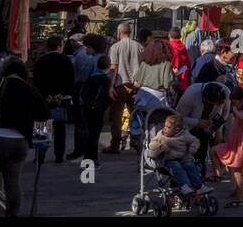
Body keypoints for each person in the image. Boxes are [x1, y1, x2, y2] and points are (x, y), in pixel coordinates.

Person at [0, 58, 50, 217]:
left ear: (4, 70)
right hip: (18, 143)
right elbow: (44, 114)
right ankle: (12, 215)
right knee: (12, 184)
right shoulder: (29, 88)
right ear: (23, 72)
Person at [32, 35, 75, 163]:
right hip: (60, 99)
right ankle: (59, 155)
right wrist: (62, 94)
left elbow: (37, 80)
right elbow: (70, 79)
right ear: (59, 46)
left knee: (43, 128)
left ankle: (40, 156)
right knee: (60, 129)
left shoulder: (41, 61)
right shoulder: (66, 60)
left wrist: (46, 95)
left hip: (45, 99)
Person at [147, 113, 209, 199]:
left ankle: (199, 186)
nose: (164, 128)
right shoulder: (161, 135)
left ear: (176, 130)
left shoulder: (184, 134)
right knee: (177, 167)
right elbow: (151, 145)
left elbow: (195, 140)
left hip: (184, 158)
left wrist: (193, 148)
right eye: (165, 126)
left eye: (168, 127)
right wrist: (160, 146)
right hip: (169, 160)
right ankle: (184, 186)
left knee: (191, 166)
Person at [175, 81, 230, 174]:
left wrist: (219, 130)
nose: (214, 106)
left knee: (205, 149)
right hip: (190, 126)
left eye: (217, 104)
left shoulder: (226, 92)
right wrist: (197, 122)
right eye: (211, 104)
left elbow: (224, 113)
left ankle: (203, 176)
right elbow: (178, 118)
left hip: (209, 124)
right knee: (192, 152)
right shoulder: (191, 95)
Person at [213, 87, 243, 206]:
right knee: (214, 151)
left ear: (242, 100)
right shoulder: (240, 111)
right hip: (233, 144)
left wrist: (235, 111)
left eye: (235, 102)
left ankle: (239, 199)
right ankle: (217, 175)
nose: (233, 105)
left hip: (240, 146)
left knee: (238, 174)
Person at [107, 23, 143, 152]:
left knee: (117, 116)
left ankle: (115, 144)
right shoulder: (139, 46)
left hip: (120, 85)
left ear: (119, 32)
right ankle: (136, 141)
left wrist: (110, 86)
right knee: (135, 115)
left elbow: (113, 68)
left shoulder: (115, 47)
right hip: (135, 86)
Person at [79, 54, 113, 162]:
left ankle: (86, 157)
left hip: (87, 107)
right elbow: (107, 96)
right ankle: (92, 159)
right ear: (108, 67)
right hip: (98, 109)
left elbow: (83, 93)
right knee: (95, 135)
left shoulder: (91, 76)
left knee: (89, 133)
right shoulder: (105, 80)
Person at [168, 27, 191, 92]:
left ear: (169, 35)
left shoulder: (169, 47)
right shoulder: (183, 48)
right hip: (184, 81)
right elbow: (188, 65)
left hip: (172, 83)